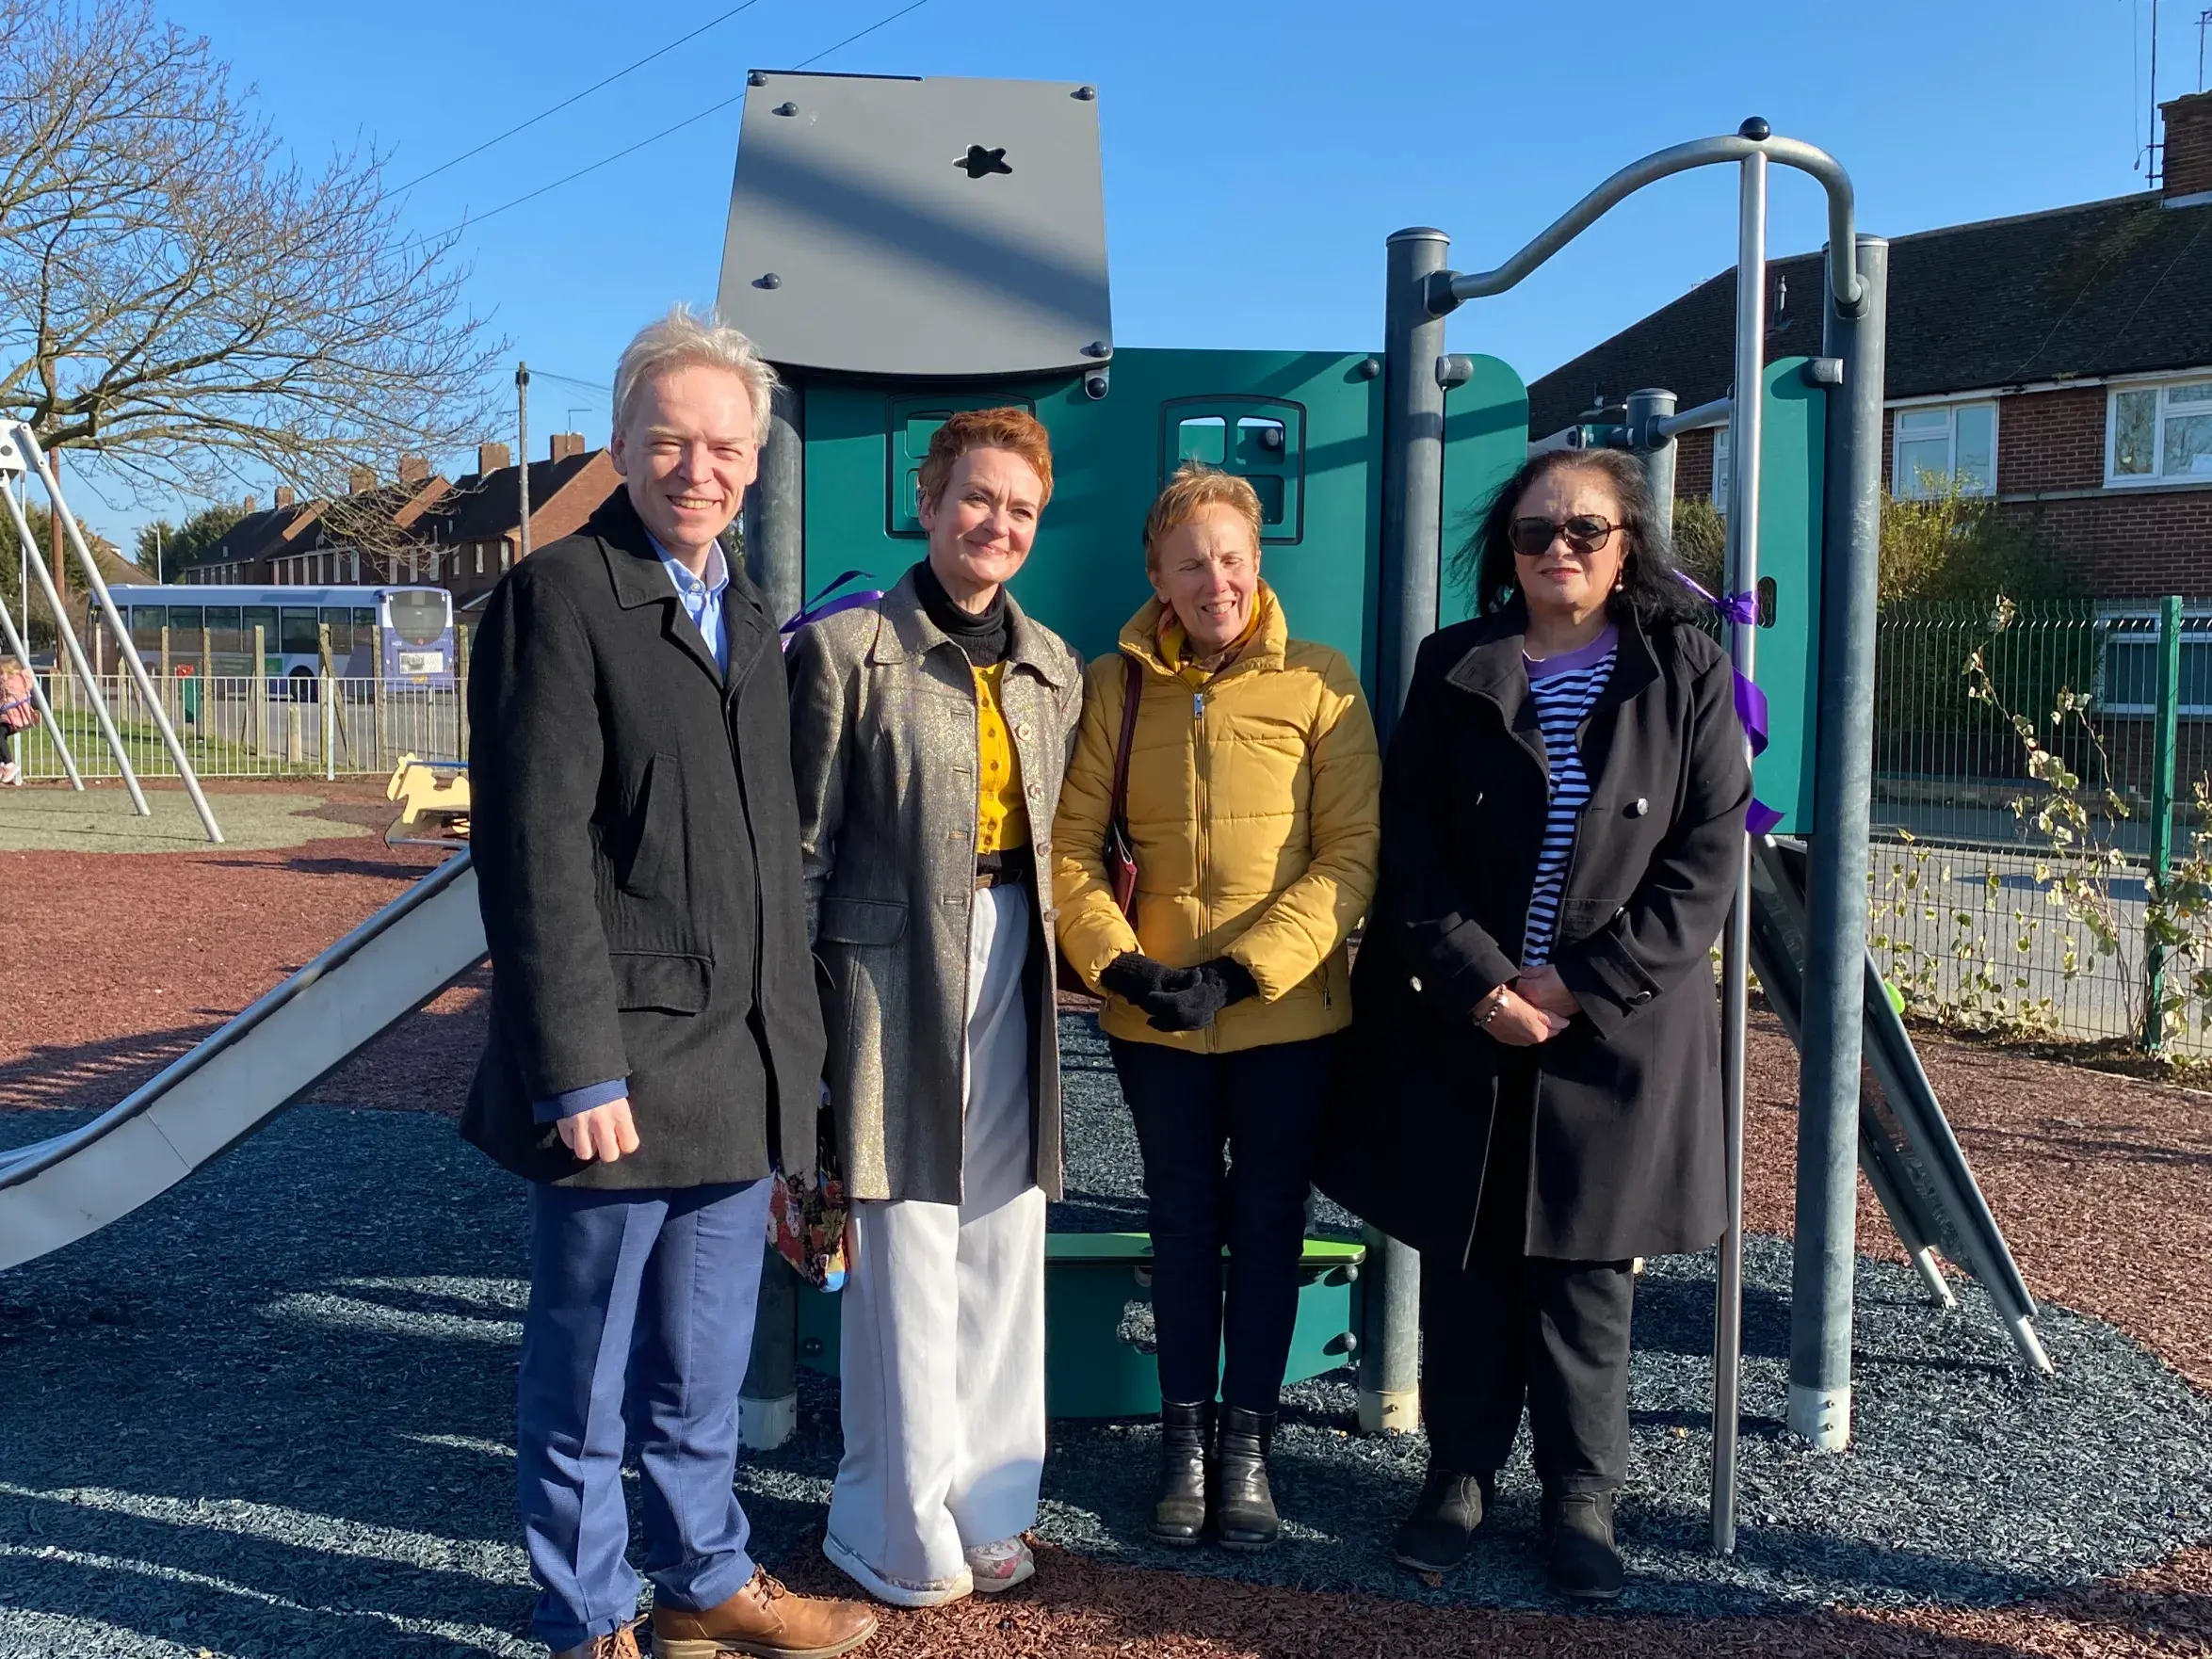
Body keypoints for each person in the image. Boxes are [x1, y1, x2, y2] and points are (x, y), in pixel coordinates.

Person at [464, 305, 879, 1659]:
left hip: (737, 1068)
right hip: (623, 1070)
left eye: (725, 446)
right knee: (584, 1371)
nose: (698, 468)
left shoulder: (747, 613)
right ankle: (588, 1614)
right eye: (668, 441)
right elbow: (534, 854)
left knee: (702, 1363)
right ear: (630, 448)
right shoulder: (560, 597)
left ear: (754, 461)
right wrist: (575, 1063)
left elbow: (772, 861)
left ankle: (705, 1577)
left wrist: (797, 1068)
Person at [1317, 448, 1750, 1603]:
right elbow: (1406, 844)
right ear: (1505, 548)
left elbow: (1707, 862)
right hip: (1470, 1019)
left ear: (1627, 548)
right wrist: (1481, 983)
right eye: (1535, 530)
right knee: (1467, 1258)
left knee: (1588, 1273)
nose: (1559, 548)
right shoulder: (1456, 664)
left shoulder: (1686, 670)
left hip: (1613, 1025)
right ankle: (1460, 1473)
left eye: (1587, 530)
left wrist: (1575, 984)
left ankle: (1580, 1494)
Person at [787, 407, 1084, 1608]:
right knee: (905, 1234)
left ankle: (992, 1499)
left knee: (1003, 1232)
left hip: (1013, 954)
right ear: (926, 496)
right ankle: (893, 1518)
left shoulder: (1054, 664)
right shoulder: (849, 649)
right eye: (977, 497)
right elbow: (804, 850)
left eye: (1018, 507)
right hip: (885, 961)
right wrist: (799, 1024)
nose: (995, 523)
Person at [1055, 463, 1380, 1552]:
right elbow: (1071, 853)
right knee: (1186, 1228)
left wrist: (1245, 973)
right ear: (1157, 573)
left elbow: (1350, 858)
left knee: (1270, 1224)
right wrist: (1123, 967)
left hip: (1287, 1020)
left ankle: (1250, 1445)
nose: (1215, 580)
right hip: (1158, 1023)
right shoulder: (1114, 686)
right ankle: (1183, 1444)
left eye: (1232, 557)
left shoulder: (1324, 684)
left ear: (1259, 563)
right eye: (1191, 562)